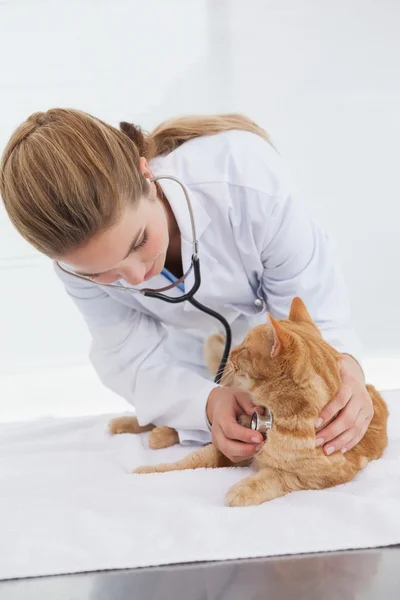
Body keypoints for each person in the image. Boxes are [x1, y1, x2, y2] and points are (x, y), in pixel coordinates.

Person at [0, 109, 373, 461]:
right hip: (191, 360)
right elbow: (129, 358)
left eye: (138, 243)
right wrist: (207, 405)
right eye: (101, 273)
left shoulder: (245, 178)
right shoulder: (72, 267)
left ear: (147, 177)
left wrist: (346, 370)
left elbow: (310, 309)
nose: (134, 277)